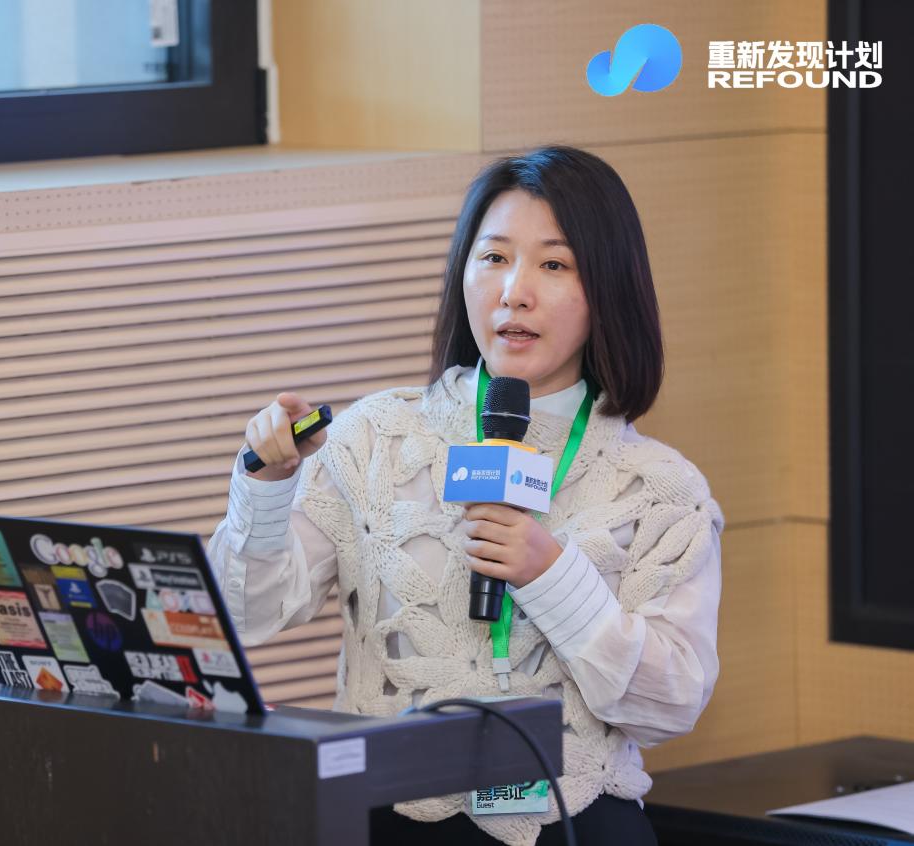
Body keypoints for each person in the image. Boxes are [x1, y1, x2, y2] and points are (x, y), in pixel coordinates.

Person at [206, 145, 724, 846]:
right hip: (384, 817)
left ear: (608, 287)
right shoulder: (377, 437)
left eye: (554, 265)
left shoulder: (660, 489)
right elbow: (245, 613)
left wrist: (551, 574)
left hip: (573, 823)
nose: (514, 291)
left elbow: (667, 707)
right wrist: (265, 490)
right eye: (493, 258)